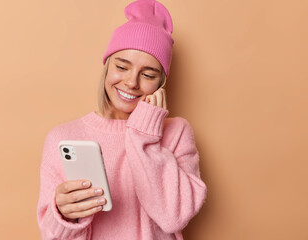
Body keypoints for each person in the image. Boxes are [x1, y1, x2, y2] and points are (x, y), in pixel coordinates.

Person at [37, 0, 207, 239]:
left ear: (160, 84)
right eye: (122, 66)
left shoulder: (177, 133)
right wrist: (65, 216)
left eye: (148, 74)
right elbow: (52, 236)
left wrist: (144, 137)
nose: (131, 82)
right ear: (107, 67)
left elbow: (173, 217)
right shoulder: (64, 137)